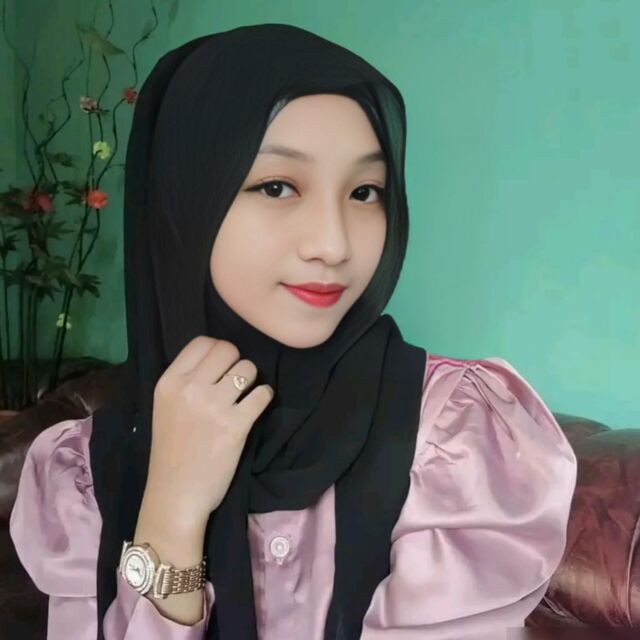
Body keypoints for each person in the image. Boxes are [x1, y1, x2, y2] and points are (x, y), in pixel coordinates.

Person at [9, 23, 578, 640]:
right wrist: (171, 507)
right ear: (185, 203)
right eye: (277, 186)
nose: (334, 244)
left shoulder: (452, 436)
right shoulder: (86, 471)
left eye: (365, 192)